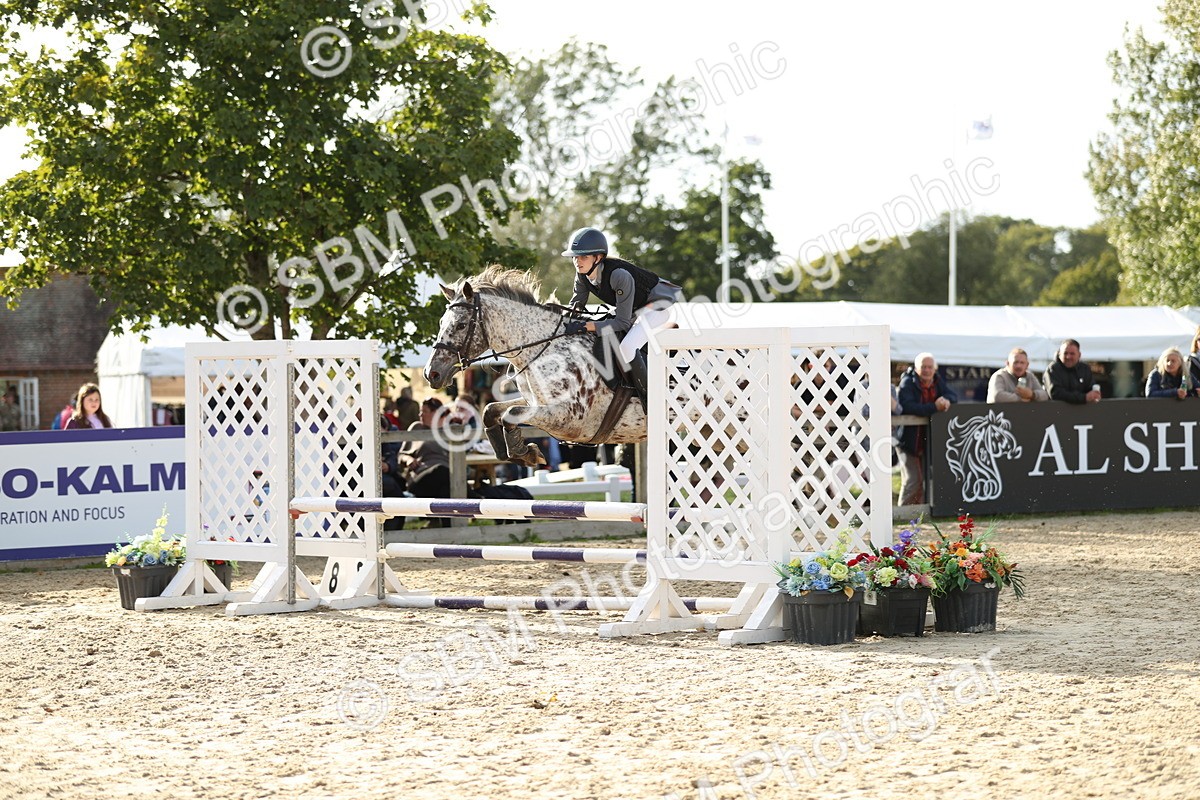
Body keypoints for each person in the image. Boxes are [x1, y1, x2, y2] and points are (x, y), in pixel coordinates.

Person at [560, 226, 684, 406]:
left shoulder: (619, 275)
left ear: (598, 258)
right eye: (575, 257)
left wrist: (586, 326)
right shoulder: (582, 275)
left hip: (657, 306)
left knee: (628, 346)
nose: (577, 261)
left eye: (583, 257)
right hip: (635, 308)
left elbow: (622, 323)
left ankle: (653, 400)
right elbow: (576, 306)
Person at [895, 353, 957, 506]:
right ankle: (902, 513)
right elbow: (907, 407)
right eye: (923, 367)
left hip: (927, 441)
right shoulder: (907, 383)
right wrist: (934, 407)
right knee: (913, 480)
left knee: (924, 479)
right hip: (908, 441)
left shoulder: (937, 381)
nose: (927, 370)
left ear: (934, 369)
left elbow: (952, 395)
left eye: (930, 367)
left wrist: (946, 400)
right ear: (916, 368)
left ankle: (917, 515)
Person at [400, 398, 451, 523]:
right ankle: (477, 498)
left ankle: (449, 531)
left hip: (446, 477)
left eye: (424, 411)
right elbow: (401, 455)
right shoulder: (417, 427)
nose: (420, 415)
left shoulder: (449, 431)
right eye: (420, 412)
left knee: (446, 489)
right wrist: (408, 459)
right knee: (442, 471)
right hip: (421, 476)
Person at [1043, 339, 1100, 404]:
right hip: (1057, 412)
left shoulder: (1085, 369)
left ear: (1079, 355)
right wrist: (1083, 398)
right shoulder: (1053, 369)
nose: (1068, 357)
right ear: (1059, 354)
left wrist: (1094, 394)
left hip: (1082, 412)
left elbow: (1091, 388)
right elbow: (1056, 393)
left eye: (1072, 354)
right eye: (1065, 353)